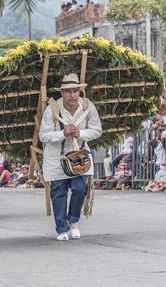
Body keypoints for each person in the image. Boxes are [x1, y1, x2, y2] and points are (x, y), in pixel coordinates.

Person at [39, 73, 103, 241]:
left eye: (75, 91)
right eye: (68, 91)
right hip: (56, 157)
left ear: (79, 92)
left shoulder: (88, 107)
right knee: (58, 190)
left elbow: (97, 130)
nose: (72, 95)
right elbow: (43, 136)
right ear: (62, 93)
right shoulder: (52, 110)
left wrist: (80, 132)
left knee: (80, 188)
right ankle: (61, 228)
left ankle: (73, 221)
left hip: (79, 155)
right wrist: (62, 133)